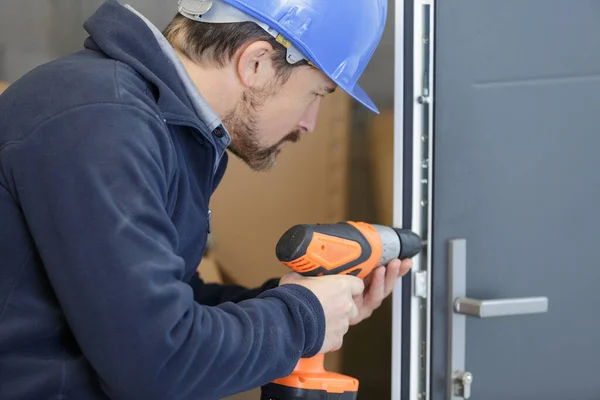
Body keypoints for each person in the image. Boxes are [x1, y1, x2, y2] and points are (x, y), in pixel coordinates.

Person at [0, 0, 413, 398]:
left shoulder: (155, 123)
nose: (309, 124)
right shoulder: (100, 121)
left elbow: (167, 305)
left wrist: (295, 301)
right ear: (255, 62)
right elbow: (157, 364)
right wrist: (300, 318)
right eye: (317, 95)